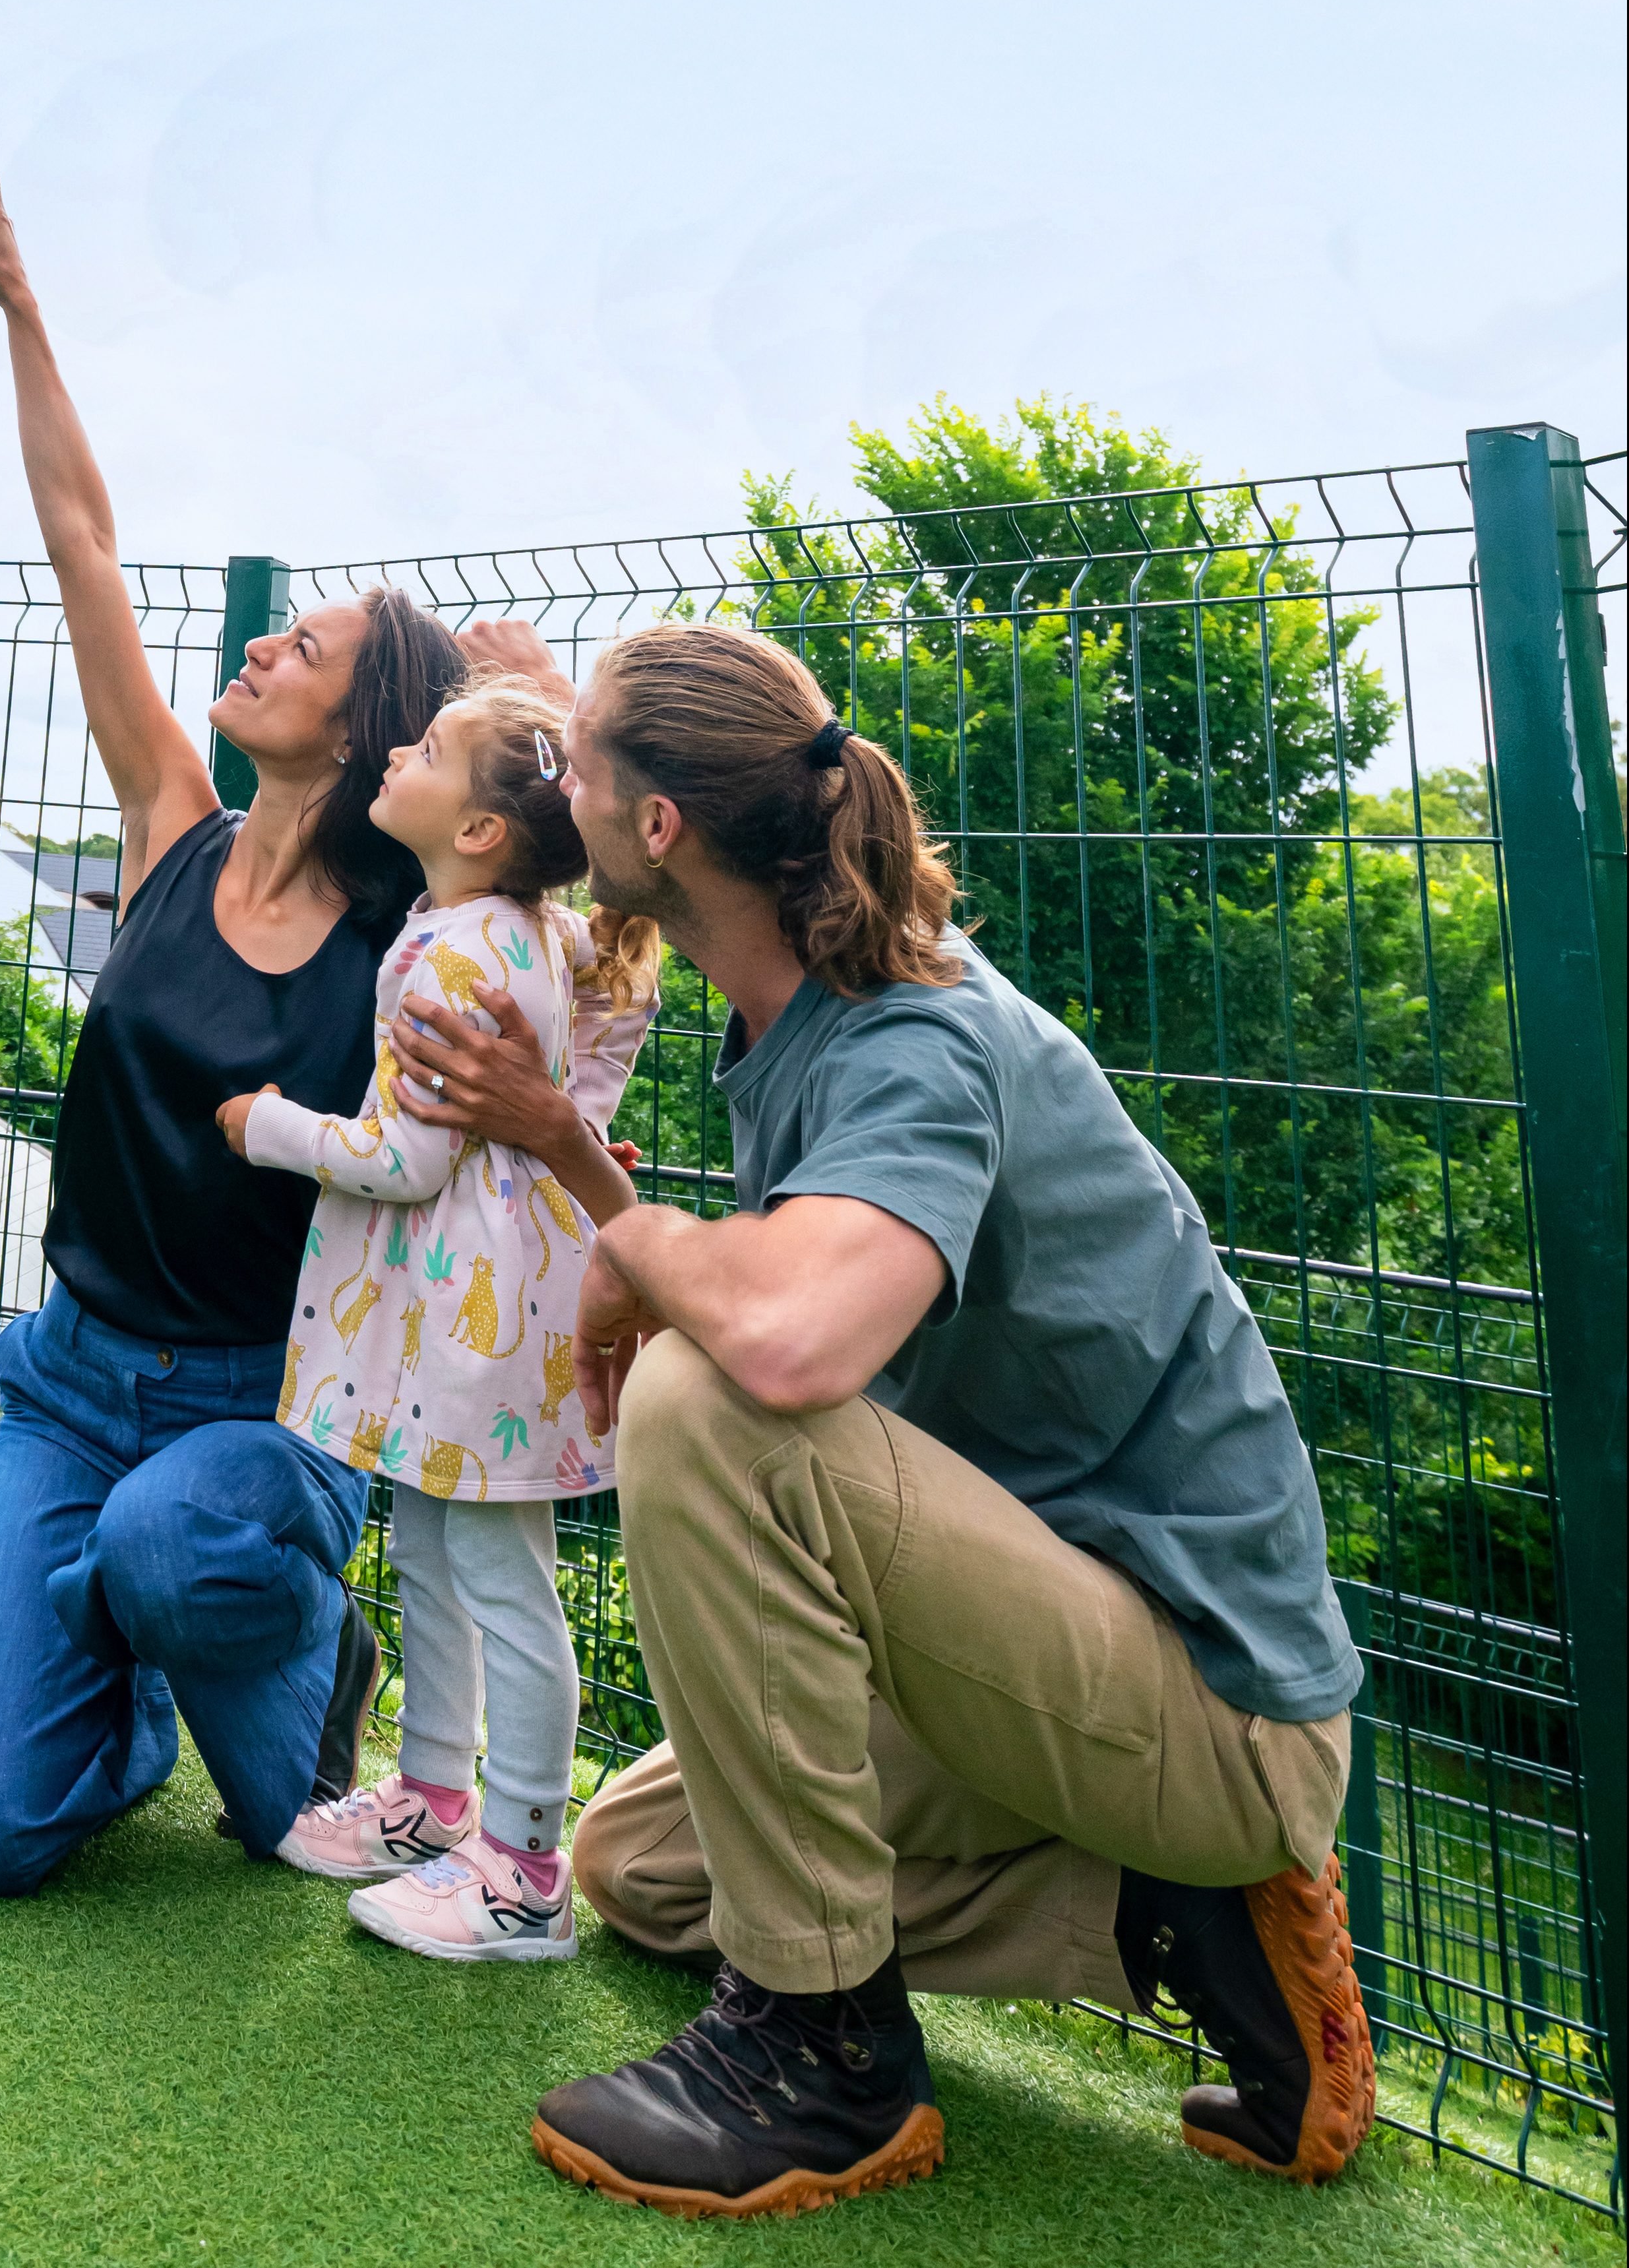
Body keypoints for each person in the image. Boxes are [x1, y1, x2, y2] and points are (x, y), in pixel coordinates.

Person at [381, 617, 1374, 2217]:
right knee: (636, 1869)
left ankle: (822, 2054)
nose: (546, 774)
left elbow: (779, 1341)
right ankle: (1161, 1908)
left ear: (657, 830)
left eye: (580, 760)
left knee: (707, 1392)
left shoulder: (917, 1035)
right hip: (1039, 1654)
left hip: (1202, 1697)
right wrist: (592, 1172)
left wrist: (631, 1244)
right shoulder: (793, 1004)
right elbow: (777, 1297)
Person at [0, 144, 464, 1893]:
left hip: (264, 1421)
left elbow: (571, 863)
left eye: (306, 648)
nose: (262, 646)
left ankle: (285, 1643)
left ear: (367, 738)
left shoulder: (405, 945)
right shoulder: (166, 827)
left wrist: (524, 682)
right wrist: (19, 306)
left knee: (265, 1778)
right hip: (72, 1382)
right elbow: (82, 539)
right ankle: (113, 1694)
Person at [218, 674, 659, 1961]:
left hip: (462, 1330)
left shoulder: (442, 949)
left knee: (496, 1579)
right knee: (435, 1552)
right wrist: (567, 1117)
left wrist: (268, 1127)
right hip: (476, 1316)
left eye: (424, 748)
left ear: (475, 829)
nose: (397, 749)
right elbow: (616, 1007)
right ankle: (432, 1798)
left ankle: (524, 1871)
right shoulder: (533, 929)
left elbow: (401, 1160)